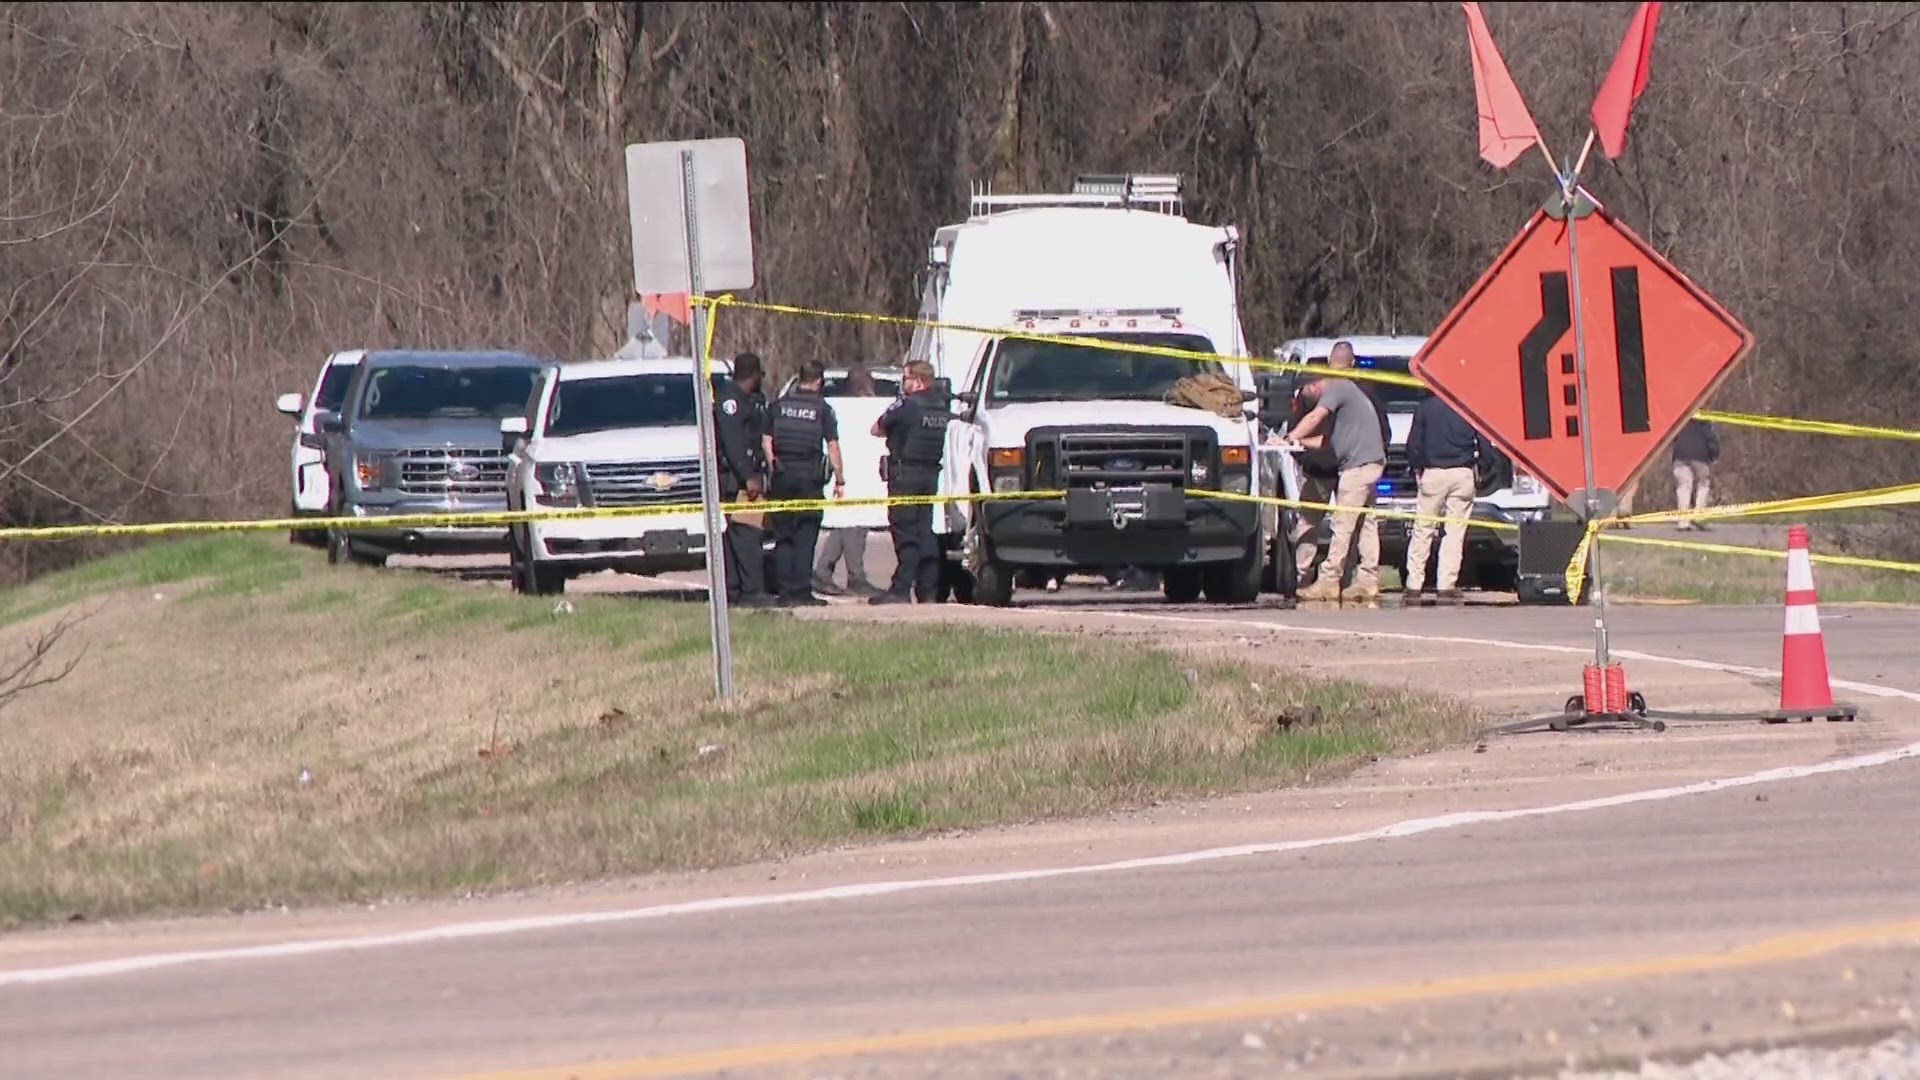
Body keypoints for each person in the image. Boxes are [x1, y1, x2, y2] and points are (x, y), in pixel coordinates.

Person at [1283, 341, 1387, 602]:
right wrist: (1297, 441)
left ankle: (1328, 581)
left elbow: (1315, 418)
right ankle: (1368, 580)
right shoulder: (1356, 391)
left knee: (1343, 524)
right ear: (1350, 364)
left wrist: (1290, 436)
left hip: (1356, 468)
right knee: (1366, 524)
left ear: (1330, 365)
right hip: (1371, 463)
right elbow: (1326, 440)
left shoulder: (1338, 387)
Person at [763, 362, 844, 606]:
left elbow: (766, 440)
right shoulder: (823, 410)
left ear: (799, 378)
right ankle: (801, 591)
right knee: (805, 536)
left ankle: (785, 592)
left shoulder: (777, 407)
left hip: (782, 478)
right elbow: (832, 447)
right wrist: (839, 479)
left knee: (784, 536)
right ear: (819, 381)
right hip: (809, 479)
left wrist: (773, 465)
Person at [870, 360, 951, 605]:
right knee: (924, 532)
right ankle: (928, 589)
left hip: (905, 475)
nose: (902, 384)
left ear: (917, 381)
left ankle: (900, 588)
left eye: (905, 379)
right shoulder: (940, 406)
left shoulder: (907, 405)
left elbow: (877, 428)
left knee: (905, 531)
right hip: (929, 475)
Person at [1402, 393, 1484, 602]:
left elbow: (1413, 444)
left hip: (1433, 472)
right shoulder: (1468, 405)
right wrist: (1484, 470)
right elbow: (1483, 441)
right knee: (1455, 533)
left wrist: (1417, 468)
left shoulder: (1425, 408)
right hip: (1462, 472)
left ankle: (1414, 584)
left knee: (1423, 529)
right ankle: (1446, 584)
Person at [813, 367, 880, 597]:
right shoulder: (864, 410)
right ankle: (855, 576)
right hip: (855, 472)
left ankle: (823, 571)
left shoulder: (836, 408)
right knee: (856, 524)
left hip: (847, 471)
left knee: (847, 522)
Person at [712, 351, 769, 606]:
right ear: (754, 376)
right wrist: (748, 477)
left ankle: (734, 589)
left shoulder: (748, 399)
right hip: (736, 479)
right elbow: (733, 443)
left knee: (738, 534)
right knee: (747, 533)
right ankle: (751, 591)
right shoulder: (730, 401)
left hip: (743, 475)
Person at [1671, 417, 1720, 530]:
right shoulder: (1705, 422)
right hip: (1700, 457)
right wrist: (1714, 456)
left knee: (1683, 487)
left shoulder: (1680, 418)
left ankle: (1683, 522)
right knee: (1703, 485)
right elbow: (1711, 439)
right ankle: (1699, 516)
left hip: (1680, 456)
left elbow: (1673, 437)